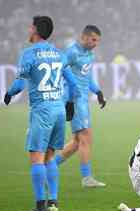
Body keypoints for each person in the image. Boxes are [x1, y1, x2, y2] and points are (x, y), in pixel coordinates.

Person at [4, 15, 77, 211]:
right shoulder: (59, 54)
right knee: (50, 156)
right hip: (59, 110)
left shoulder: (29, 54)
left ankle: (40, 208)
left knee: (36, 157)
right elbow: (72, 84)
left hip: (42, 111)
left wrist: (8, 94)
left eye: (30, 27)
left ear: (35, 30)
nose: (28, 30)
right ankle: (53, 201)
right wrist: (70, 103)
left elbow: (20, 84)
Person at [54, 25, 107, 188]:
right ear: (84, 37)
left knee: (77, 141)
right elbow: (58, 70)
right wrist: (68, 100)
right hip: (75, 100)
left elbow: (86, 77)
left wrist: (97, 91)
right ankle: (87, 178)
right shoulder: (72, 52)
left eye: (98, 41)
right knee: (85, 137)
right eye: (93, 40)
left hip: (83, 100)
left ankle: (49, 165)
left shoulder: (89, 54)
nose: (95, 43)